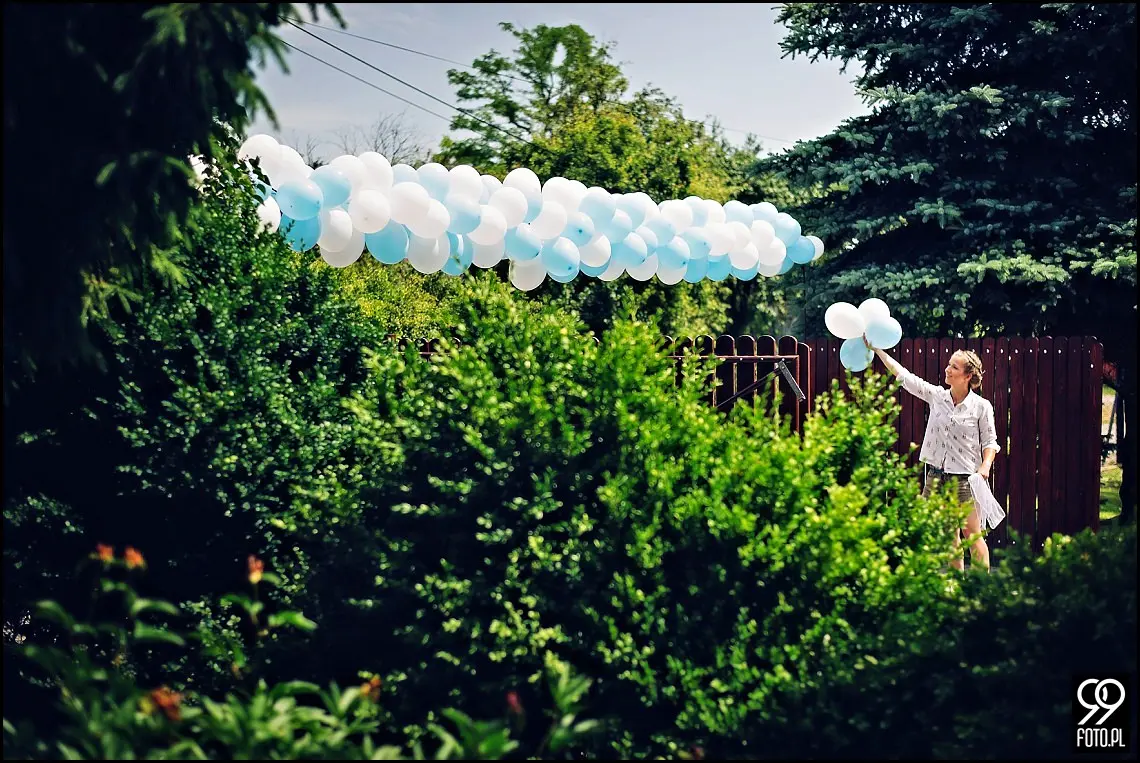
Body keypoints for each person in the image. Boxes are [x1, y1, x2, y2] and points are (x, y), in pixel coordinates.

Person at [869, 342, 1000, 572]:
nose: (947, 369)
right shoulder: (937, 396)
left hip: (966, 480)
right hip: (936, 478)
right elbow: (904, 376)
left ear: (968, 376)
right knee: (948, 536)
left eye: (954, 367)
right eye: (949, 365)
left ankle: (982, 590)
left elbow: (990, 442)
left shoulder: (981, 407)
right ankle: (955, 585)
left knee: (972, 534)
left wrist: (985, 466)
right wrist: (877, 350)